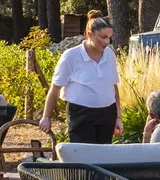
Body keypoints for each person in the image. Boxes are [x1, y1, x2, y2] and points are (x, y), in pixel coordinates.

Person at [43, 15, 122, 143]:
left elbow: (113, 86)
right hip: (81, 113)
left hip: (108, 113)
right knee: (83, 156)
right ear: (90, 35)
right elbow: (55, 88)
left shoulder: (110, 54)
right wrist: (46, 117)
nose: (107, 42)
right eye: (103, 37)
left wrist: (118, 117)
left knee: (103, 157)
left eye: (109, 37)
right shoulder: (71, 56)